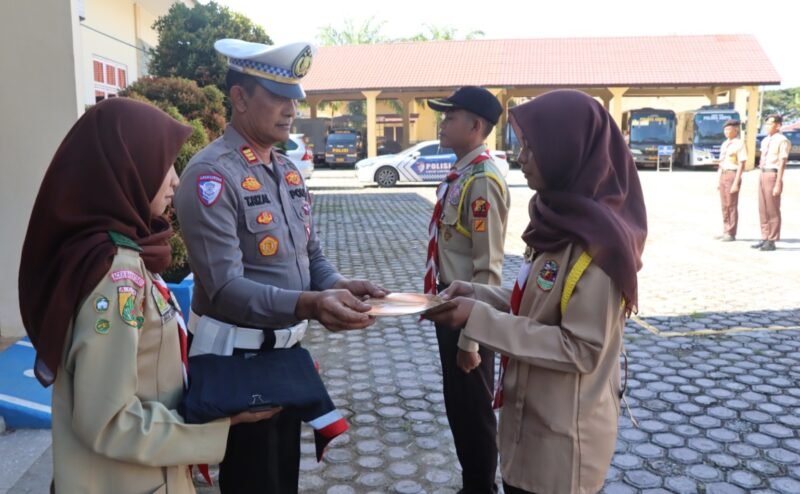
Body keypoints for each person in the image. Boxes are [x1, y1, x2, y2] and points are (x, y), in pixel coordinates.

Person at [17, 98, 275, 494]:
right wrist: (216, 426)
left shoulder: (118, 255)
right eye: (164, 164)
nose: (175, 180)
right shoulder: (116, 277)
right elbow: (108, 422)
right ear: (127, 168)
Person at [173, 39, 385, 493]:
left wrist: (341, 285)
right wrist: (311, 304)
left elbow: (311, 256)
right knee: (254, 481)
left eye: (295, 98)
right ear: (240, 97)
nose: (291, 109)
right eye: (277, 96)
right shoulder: (212, 175)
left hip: (284, 357)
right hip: (235, 363)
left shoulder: (288, 171)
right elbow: (226, 287)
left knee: (281, 477)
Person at [425, 90, 647, 494]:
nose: (522, 158)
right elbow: (538, 301)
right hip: (529, 431)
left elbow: (581, 348)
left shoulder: (599, 246)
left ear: (568, 152)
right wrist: (477, 294)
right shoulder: (557, 221)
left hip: (561, 448)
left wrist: (476, 321)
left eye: (532, 148)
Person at [424, 86, 509, 494]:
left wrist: (471, 341)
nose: (442, 123)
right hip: (451, 304)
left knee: (473, 411)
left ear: (475, 126)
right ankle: (473, 484)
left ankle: (481, 489)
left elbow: (488, 270)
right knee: (459, 407)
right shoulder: (463, 174)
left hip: (469, 315)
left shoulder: (483, 182)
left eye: (450, 116)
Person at [753, 114, 789, 251]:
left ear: (778, 125)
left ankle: (772, 240)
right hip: (763, 173)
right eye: (766, 123)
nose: (767, 126)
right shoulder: (765, 140)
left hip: (773, 174)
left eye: (770, 123)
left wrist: (778, 182)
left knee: (772, 208)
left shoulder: (782, 140)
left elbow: (782, 162)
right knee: (762, 208)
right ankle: (765, 236)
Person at [716, 119, 747, 241]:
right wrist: (718, 179)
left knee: (731, 205)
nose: (726, 132)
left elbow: (742, 164)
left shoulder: (739, 144)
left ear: (736, 130)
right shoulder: (724, 144)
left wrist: (736, 182)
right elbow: (721, 162)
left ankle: (731, 232)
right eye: (725, 129)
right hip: (723, 174)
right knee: (724, 205)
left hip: (732, 174)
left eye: (729, 129)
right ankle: (725, 230)